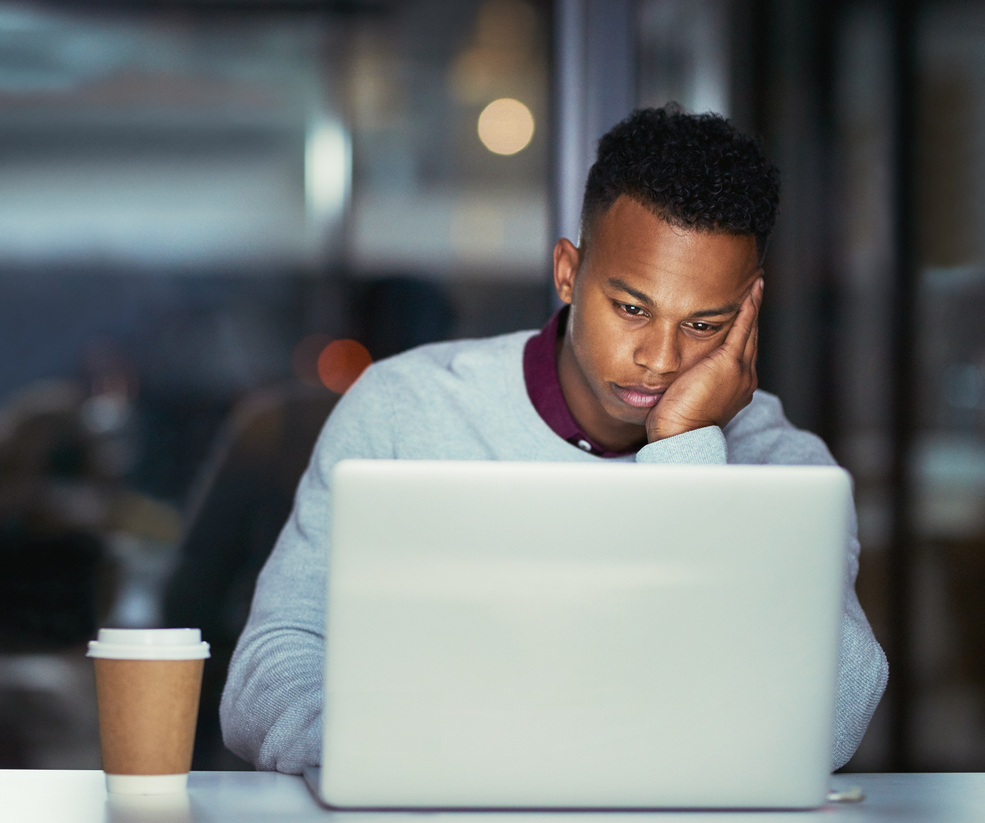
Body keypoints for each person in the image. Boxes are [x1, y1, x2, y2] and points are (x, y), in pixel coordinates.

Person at [221, 105, 889, 773]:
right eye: (632, 308)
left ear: (748, 310)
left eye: (704, 325)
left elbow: (832, 719)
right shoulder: (405, 410)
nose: (659, 358)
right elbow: (266, 669)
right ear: (569, 272)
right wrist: (408, 762)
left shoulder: (785, 467)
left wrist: (686, 447)